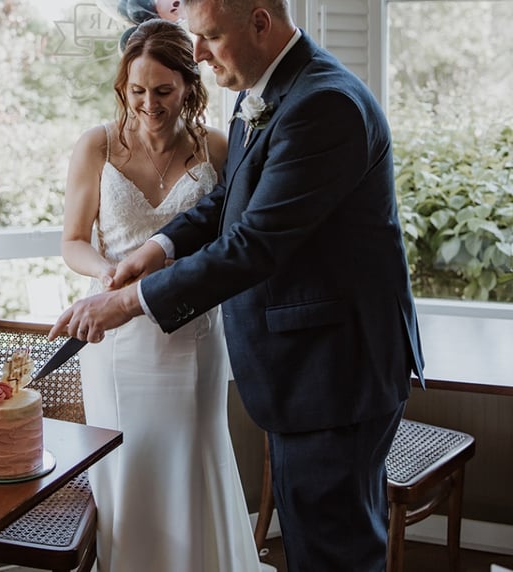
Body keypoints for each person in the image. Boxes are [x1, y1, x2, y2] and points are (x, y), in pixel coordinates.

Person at [52, 1, 426, 571]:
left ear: (259, 22)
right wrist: (158, 248)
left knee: (334, 554)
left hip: (334, 374)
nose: (198, 52)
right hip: (306, 375)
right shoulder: (267, 93)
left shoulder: (322, 104)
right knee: (312, 546)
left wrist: (129, 301)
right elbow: (232, 200)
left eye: (209, 36)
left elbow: (254, 244)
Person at [61, 18, 266, 572]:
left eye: (163, 91)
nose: (148, 104)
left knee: (193, 458)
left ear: (189, 87)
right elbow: (73, 241)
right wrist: (107, 274)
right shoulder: (97, 145)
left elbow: (234, 238)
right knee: (127, 464)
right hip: (116, 335)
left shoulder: (218, 147)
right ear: (122, 87)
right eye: (137, 91)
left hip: (193, 333)